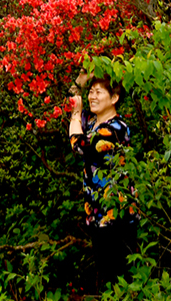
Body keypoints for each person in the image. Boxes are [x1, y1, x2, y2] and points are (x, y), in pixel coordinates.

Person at [68, 72, 137, 289]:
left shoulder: (116, 128)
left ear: (114, 98)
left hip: (117, 216)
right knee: (107, 278)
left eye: (98, 92)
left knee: (120, 279)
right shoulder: (91, 123)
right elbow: (70, 101)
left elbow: (81, 146)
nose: (92, 97)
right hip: (96, 214)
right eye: (91, 92)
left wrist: (75, 115)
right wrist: (81, 81)